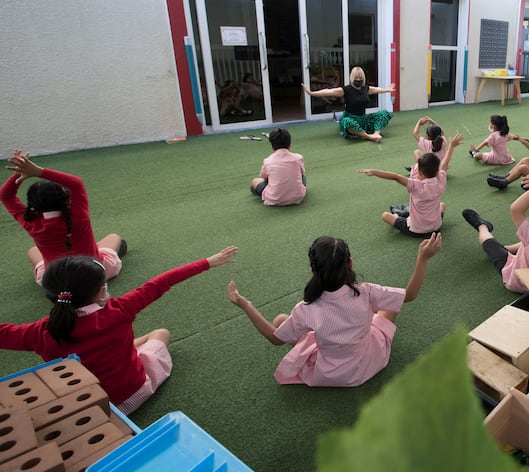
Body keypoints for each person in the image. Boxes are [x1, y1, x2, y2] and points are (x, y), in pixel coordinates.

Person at [0, 246, 238, 414]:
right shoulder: (120, 310)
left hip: (85, 407)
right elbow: (162, 281)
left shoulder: (38, 333)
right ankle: (132, 347)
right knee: (161, 333)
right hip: (132, 395)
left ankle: (129, 347)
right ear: (102, 292)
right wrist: (208, 261)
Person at [225, 234, 442, 387]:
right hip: (368, 361)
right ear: (350, 263)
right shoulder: (366, 292)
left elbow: (275, 339)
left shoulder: (306, 309)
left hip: (328, 372)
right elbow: (410, 294)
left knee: (281, 319)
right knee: (388, 310)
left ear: (312, 270)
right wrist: (423, 258)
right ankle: (373, 319)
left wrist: (246, 305)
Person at [1, 150, 125, 297]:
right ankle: (96, 249)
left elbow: (5, 196)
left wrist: (19, 173)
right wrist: (38, 171)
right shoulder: (78, 217)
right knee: (114, 237)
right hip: (94, 272)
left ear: (33, 205)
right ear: (65, 197)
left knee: (32, 251)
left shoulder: (32, 223)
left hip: (54, 280)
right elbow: (76, 183)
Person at [359, 134, 463, 238]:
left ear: (421, 173)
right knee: (442, 205)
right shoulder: (441, 179)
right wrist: (451, 146)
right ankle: (406, 212)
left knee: (385, 216)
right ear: (437, 171)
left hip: (417, 229)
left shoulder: (416, 185)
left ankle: (398, 214)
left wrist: (374, 171)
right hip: (436, 228)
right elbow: (444, 164)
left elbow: (395, 177)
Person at [301, 66, 394, 143]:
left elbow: (377, 89)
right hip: (351, 118)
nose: (358, 80)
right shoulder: (346, 90)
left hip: (364, 118)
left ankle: (376, 134)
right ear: (352, 78)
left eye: (360, 78)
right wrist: (312, 93)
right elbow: (329, 91)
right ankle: (369, 137)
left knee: (384, 114)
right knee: (346, 122)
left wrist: (387, 90)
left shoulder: (366, 89)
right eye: (356, 78)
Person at [250, 128, 306, 207]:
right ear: (289, 145)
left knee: (255, 181)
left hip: (275, 198)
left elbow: (263, 178)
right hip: (297, 196)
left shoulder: (268, 161)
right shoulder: (298, 158)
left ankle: (262, 193)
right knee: (302, 177)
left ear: (272, 147)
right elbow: (302, 174)